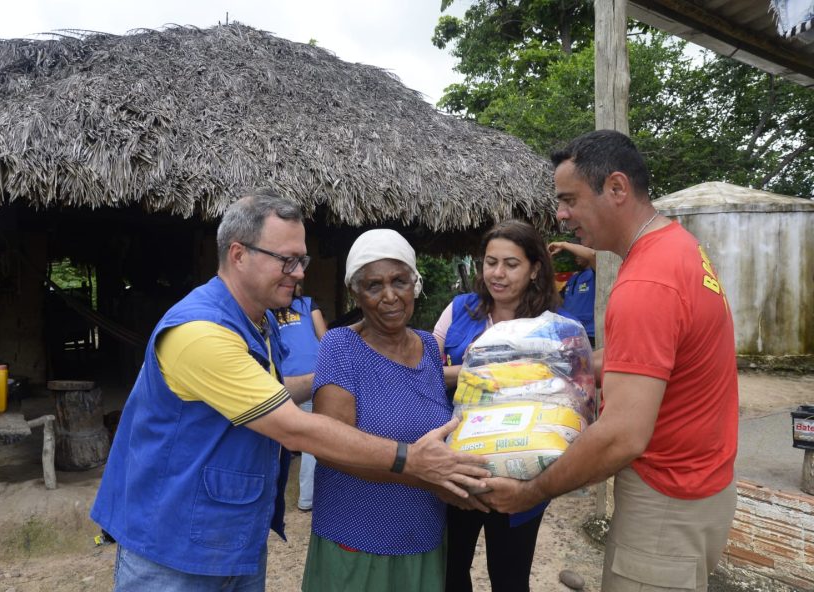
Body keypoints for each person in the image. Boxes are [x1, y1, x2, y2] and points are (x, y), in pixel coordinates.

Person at [90, 191, 489, 592]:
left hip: (233, 538)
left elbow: (262, 390)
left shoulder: (257, 324)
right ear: (239, 255)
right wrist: (412, 461)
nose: (299, 272)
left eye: (302, 260)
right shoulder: (201, 332)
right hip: (172, 545)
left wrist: (346, 377)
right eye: (287, 260)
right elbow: (294, 428)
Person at [479, 130, 738, 592]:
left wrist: (529, 493)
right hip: (701, 489)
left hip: (665, 504)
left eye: (568, 199)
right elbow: (642, 359)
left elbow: (621, 436)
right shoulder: (679, 247)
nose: (560, 215)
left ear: (616, 189)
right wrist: (550, 365)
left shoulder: (646, 285)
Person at [302, 229, 487, 592]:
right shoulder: (341, 348)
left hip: (422, 536)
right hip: (356, 540)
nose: (390, 296)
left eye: (399, 281)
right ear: (356, 292)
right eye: (373, 285)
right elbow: (330, 449)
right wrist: (428, 476)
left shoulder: (429, 349)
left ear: (414, 284)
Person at [432, 219, 560, 592]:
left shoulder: (552, 325)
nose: (497, 274)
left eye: (511, 264)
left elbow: (567, 393)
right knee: (449, 573)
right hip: (459, 469)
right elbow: (424, 375)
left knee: (509, 577)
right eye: (490, 262)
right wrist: (472, 368)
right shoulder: (460, 311)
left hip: (520, 473)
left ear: (535, 269)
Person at [273, 283, 327, 512]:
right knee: (298, 440)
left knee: (309, 440)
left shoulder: (307, 303)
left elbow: (324, 338)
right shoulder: (266, 310)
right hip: (286, 383)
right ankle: (298, 499)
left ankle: (306, 499)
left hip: (312, 380)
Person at [548, 240, 597, 346]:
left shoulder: (595, 274)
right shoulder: (574, 278)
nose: (576, 256)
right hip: (569, 334)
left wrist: (563, 244)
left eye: (579, 253)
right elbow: (559, 301)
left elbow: (593, 255)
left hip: (589, 334)